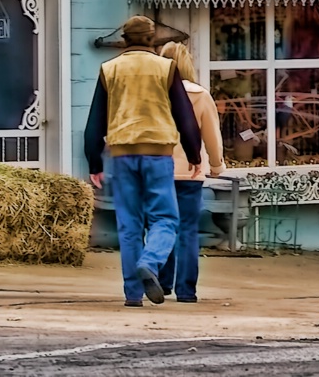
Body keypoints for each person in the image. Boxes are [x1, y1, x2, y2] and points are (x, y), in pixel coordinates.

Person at [84, 16, 202, 308]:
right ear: (152, 39)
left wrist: (94, 162)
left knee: (129, 225)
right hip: (158, 154)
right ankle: (151, 261)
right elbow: (184, 115)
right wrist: (194, 154)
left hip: (122, 155)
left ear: (124, 40)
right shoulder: (166, 67)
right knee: (165, 219)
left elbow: (95, 121)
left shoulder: (109, 69)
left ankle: (132, 294)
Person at [157, 41, 226, 303]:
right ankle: (186, 290)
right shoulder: (200, 95)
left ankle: (162, 281)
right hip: (190, 171)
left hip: (158, 170)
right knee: (186, 230)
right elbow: (211, 136)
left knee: (160, 226)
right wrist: (217, 166)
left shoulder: (155, 93)